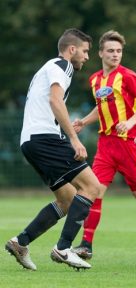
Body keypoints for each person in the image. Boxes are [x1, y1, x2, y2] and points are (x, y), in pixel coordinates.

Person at [71, 30, 136, 260]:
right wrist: (84, 122)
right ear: (100, 53)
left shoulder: (128, 76)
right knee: (95, 190)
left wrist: (129, 123)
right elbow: (102, 109)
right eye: (110, 51)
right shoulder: (95, 79)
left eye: (119, 51)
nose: (115, 55)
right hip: (106, 144)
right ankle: (86, 244)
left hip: (130, 143)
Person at [5, 28, 100, 271]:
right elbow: (54, 101)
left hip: (30, 141)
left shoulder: (46, 68)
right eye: (85, 51)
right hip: (45, 138)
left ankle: (20, 242)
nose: (87, 57)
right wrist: (73, 139)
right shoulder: (63, 66)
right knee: (91, 186)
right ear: (71, 49)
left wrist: (67, 128)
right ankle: (64, 248)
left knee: (67, 198)